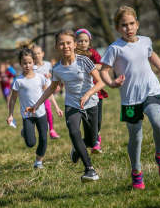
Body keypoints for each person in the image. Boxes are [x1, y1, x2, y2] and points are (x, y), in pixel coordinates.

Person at [100, 6, 160, 189]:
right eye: (124, 25)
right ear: (117, 28)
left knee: (158, 123)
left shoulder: (146, 41)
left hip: (151, 90)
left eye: (132, 24)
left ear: (137, 24)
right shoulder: (114, 48)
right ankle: (137, 172)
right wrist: (112, 83)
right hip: (130, 99)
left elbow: (151, 54)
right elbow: (104, 71)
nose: (129, 28)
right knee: (136, 137)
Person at [25, 29, 105, 182]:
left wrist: (88, 94)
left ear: (74, 44)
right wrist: (36, 105)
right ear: (56, 47)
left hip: (91, 104)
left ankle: (77, 148)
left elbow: (100, 82)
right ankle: (90, 170)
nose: (65, 46)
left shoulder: (84, 61)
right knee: (74, 133)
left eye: (68, 43)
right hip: (72, 105)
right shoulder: (57, 68)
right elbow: (50, 88)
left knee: (90, 140)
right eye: (61, 44)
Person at [7, 44, 63, 169]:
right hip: (27, 116)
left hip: (41, 113)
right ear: (20, 63)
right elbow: (13, 99)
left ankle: (38, 162)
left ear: (34, 62)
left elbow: (48, 93)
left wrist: (57, 107)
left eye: (30, 62)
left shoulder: (40, 77)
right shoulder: (19, 81)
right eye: (25, 63)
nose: (28, 66)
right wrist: (10, 115)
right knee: (31, 143)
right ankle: (25, 132)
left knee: (44, 138)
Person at [76, 28, 109, 154]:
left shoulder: (93, 53)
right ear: (75, 42)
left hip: (96, 89)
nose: (83, 43)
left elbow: (102, 65)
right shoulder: (74, 54)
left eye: (85, 41)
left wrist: (89, 66)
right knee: (85, 120)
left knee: (97, 119)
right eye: (80, 41)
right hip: (80, 91)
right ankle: (89, 141)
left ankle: (96, 142)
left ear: (89, 42)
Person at [32, 45, 60, 139]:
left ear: (43, 54)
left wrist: (55, 84)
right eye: (34, 54)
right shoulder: (32, 67)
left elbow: (53, 75)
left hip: (47, 92)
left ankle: (51, 130)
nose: (37, 56)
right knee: (39, 113)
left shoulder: (48, 64)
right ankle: (31, 130)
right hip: (37, 94)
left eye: (38, 53)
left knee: (48, 109)